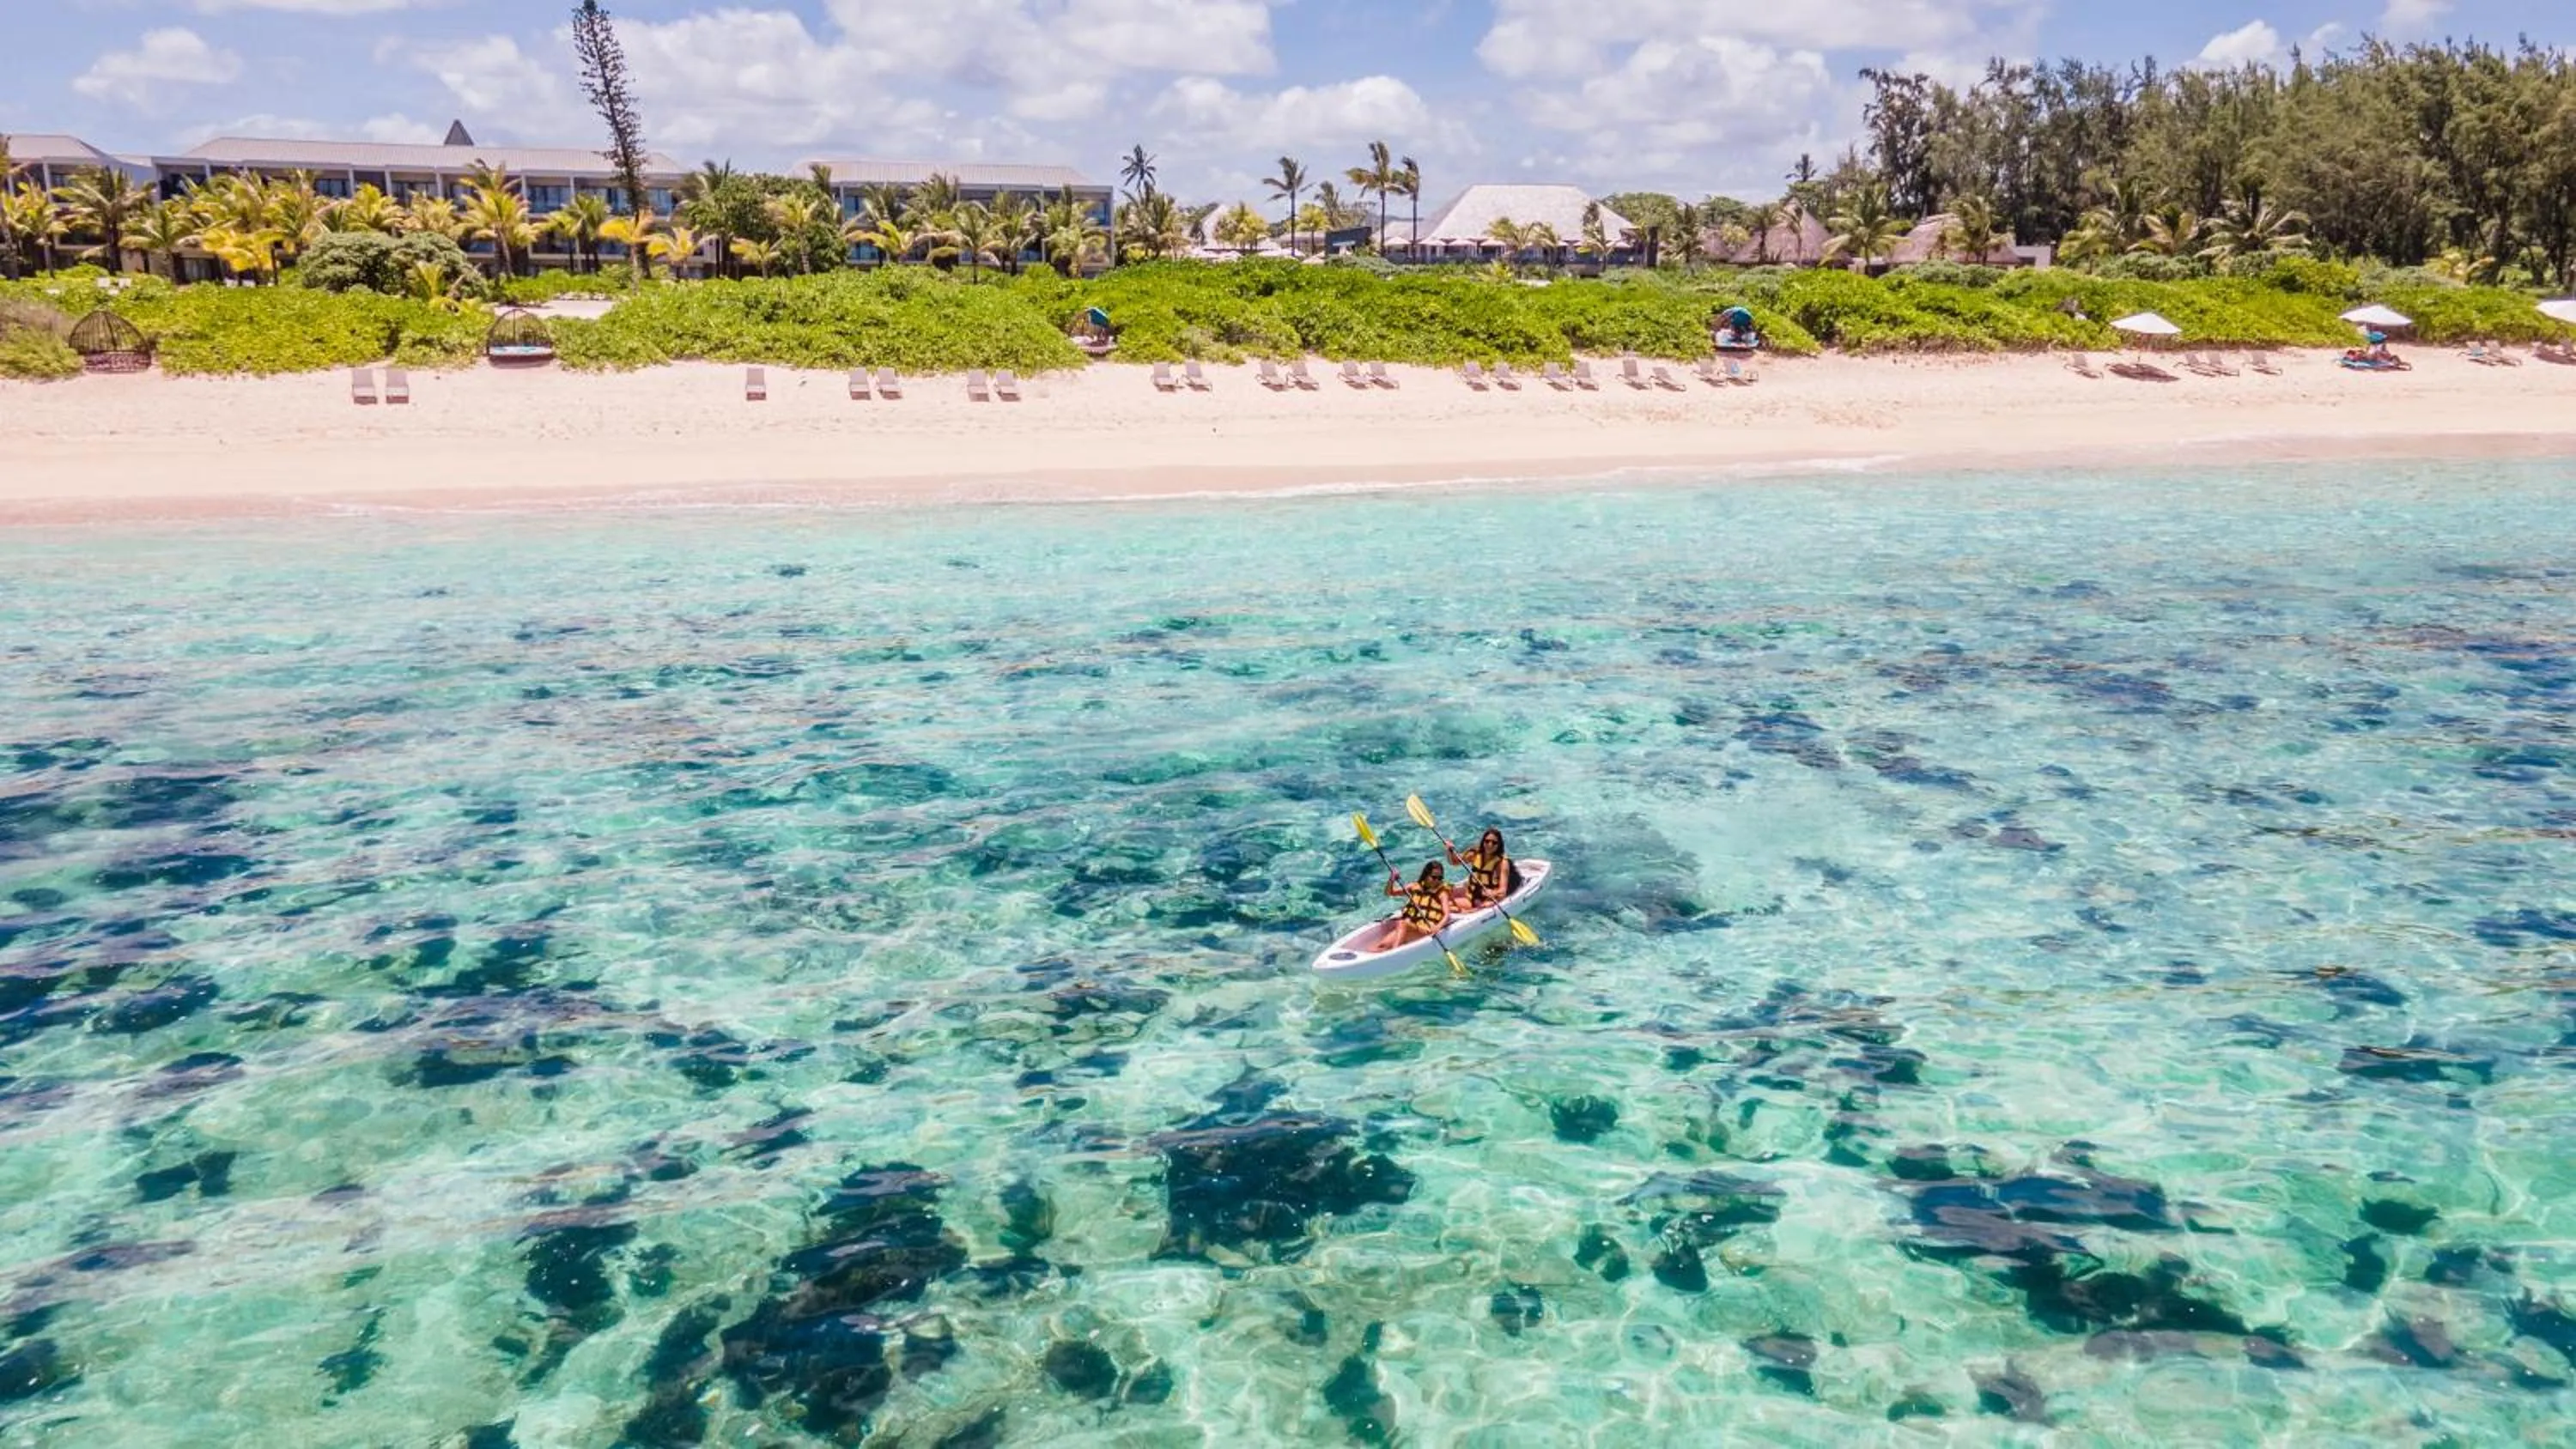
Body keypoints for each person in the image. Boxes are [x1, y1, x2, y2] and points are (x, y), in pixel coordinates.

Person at [1377, 860, 1451, 949]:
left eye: (1440, 878)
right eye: (1434, 877)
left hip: (1424, 929)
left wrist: (1437, 927)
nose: (1437, 881)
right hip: (1409, 927)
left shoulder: (1442, 893)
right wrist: (1392, 879)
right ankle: (1395, 950)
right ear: (1426, 875)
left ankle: (1395, 953)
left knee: (1402, 923)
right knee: (1382, 946)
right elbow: (1389, 892)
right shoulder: (1414, 886)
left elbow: (1447, 915)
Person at [1447, 827, 1513, 910]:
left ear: (1499, 845)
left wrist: (1492, 893)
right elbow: (1454, 862)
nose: (1490, 845)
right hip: (1469, 890)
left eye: (1494, 843)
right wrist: (1449, 851)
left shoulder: (1502, 863)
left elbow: (1503, 891)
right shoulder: (1475, 853)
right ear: (1483, 841)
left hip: (1481, 899)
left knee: (1446, 904)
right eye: (1487, 841)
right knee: (1442, 894)